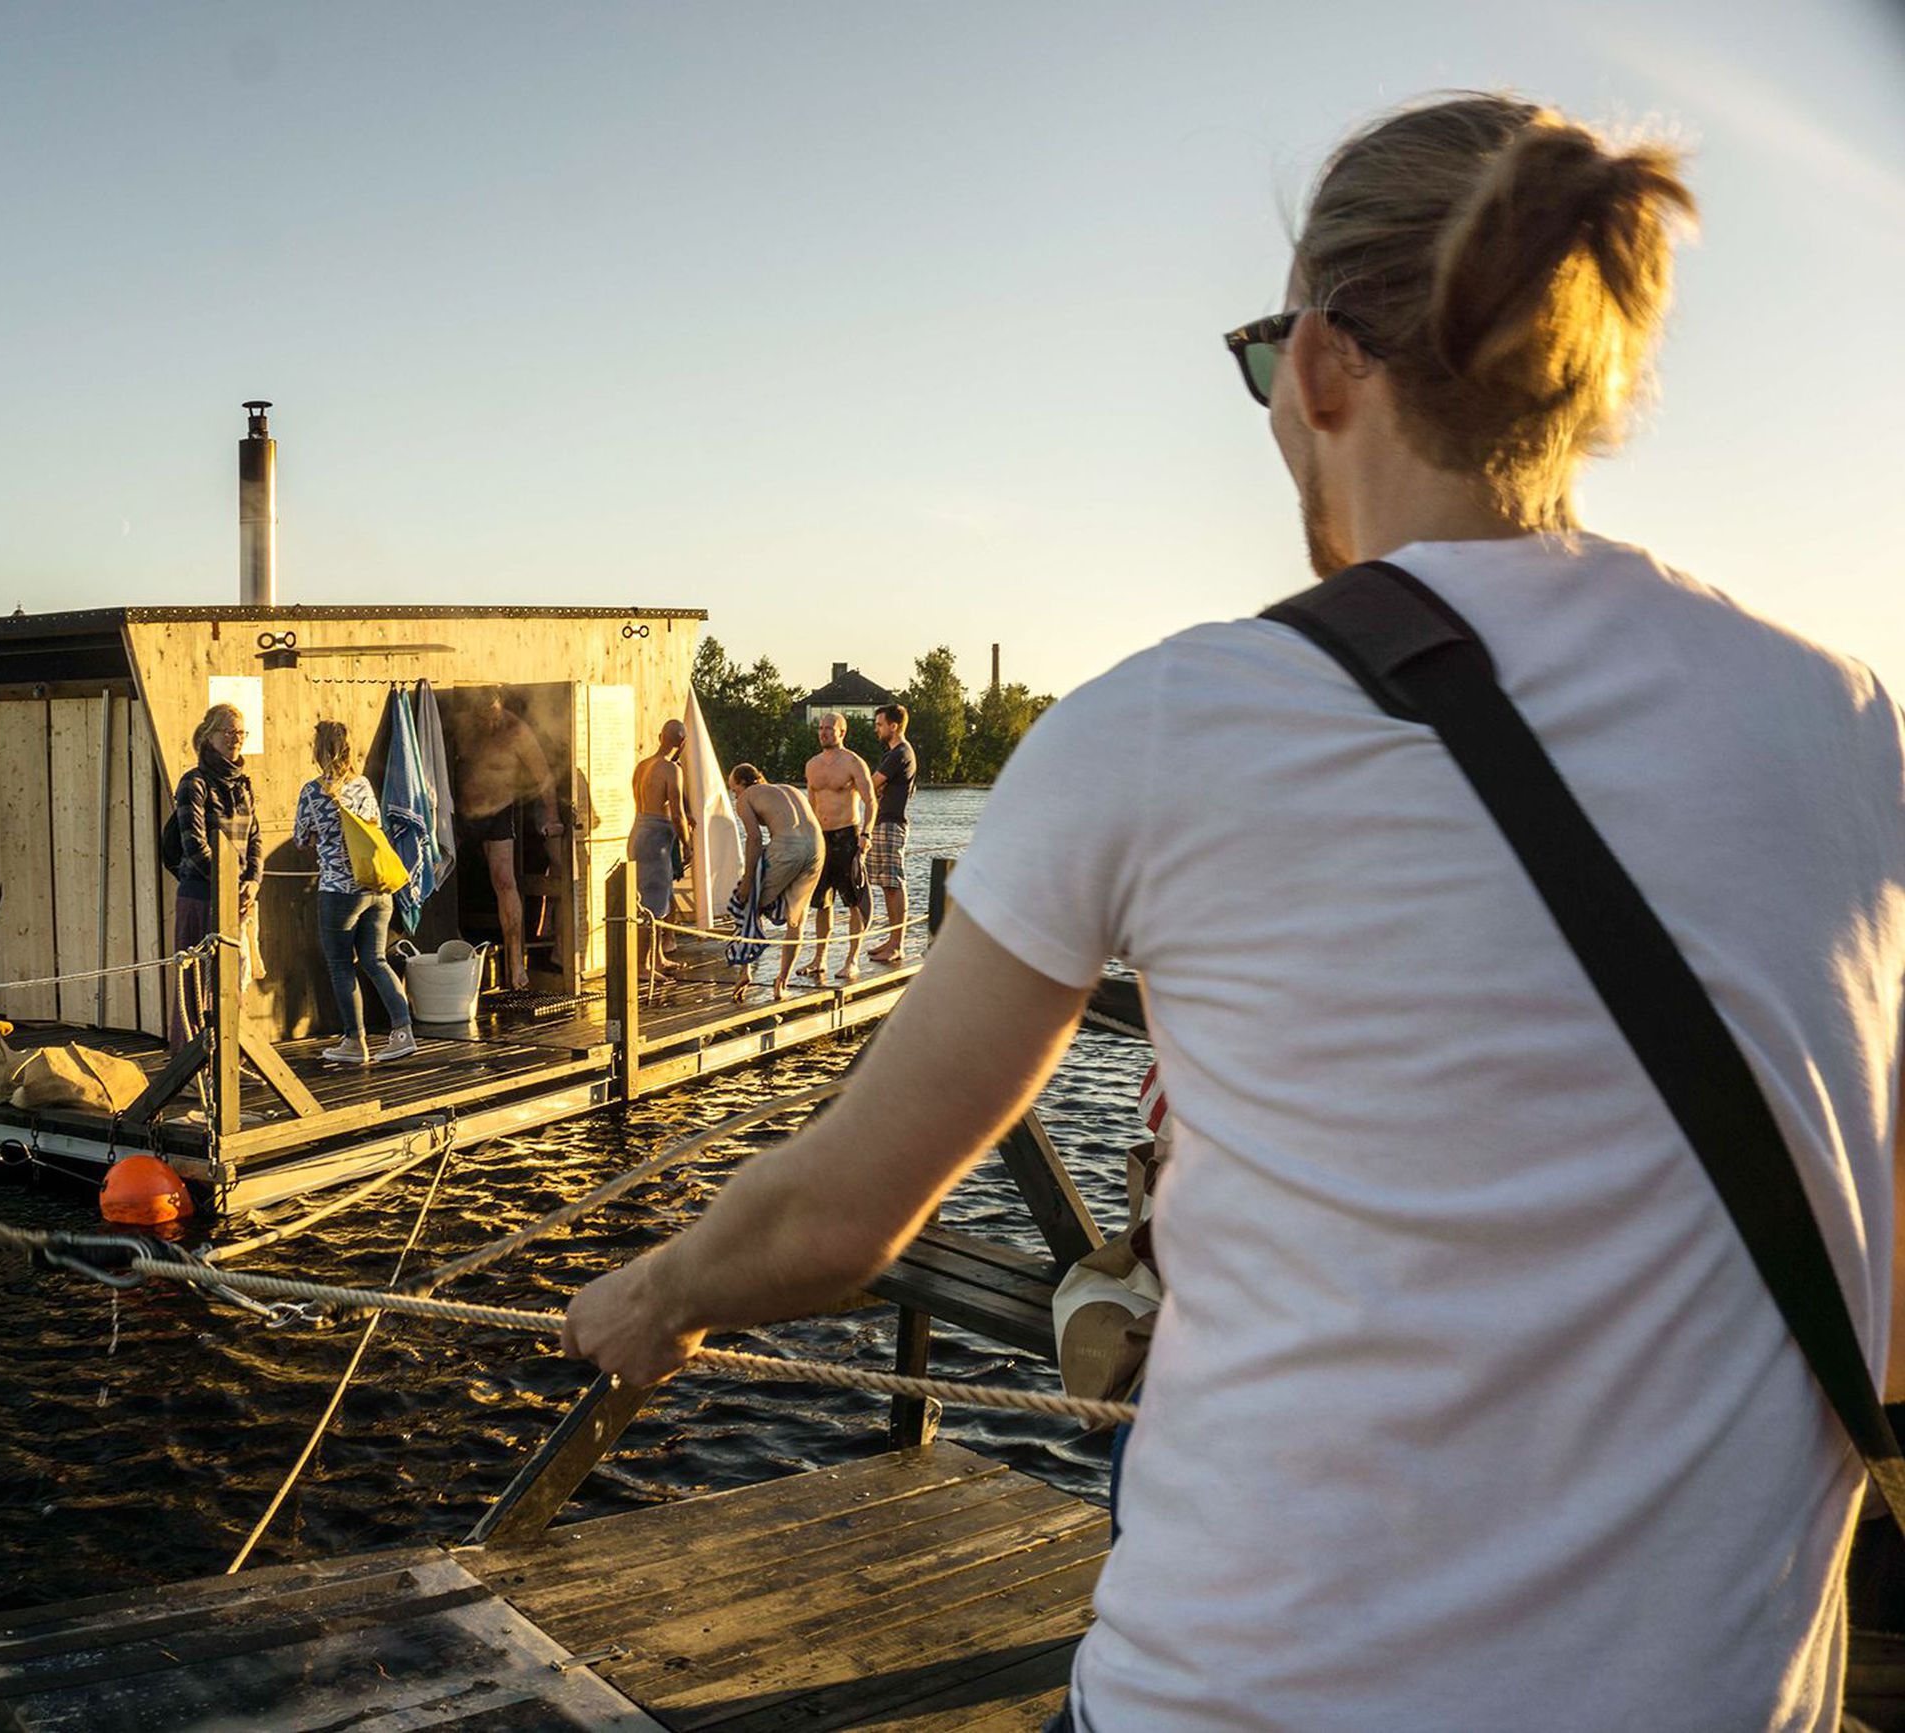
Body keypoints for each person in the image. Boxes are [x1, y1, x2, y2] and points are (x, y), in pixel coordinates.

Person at [564, 94, 1905, 1731]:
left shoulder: (1174, 722)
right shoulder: (1839, 719)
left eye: (1269, 357)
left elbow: (838, 1218)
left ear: (1327, 365)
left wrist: (655, 1292)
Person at [292, 720, 417, 1066]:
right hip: (376, 888)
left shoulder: (312, 792)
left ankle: (354, 1041)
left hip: (339, 892)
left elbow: (301, 840)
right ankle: (403, 1033)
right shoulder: (362, 786)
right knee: (376, 960)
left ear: (318, 751)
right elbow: (373, 826)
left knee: (340, 966)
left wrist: (321, 838)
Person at [160, 702, 261, 1046]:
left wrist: (252, 882)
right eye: (228, 731)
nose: (236, 739)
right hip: (201, 895)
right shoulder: (194, 783)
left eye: (241, 732)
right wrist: (229, 885)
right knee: (194, 988)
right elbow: (193, 844)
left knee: (233, 983)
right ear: (208, 736)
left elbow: (255, 839)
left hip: (238, 899)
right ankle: (188, 1063)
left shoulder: (243, 785)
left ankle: (230, 1061)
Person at [453, 688, 565, 992]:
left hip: (498, 812)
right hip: (462, 814)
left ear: (499, 704)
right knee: (447, 880)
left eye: (490, 712)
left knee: (504, 881)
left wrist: (551, 816)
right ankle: (451, 949)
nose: (485, 719)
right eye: (480, 712)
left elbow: (544, 778)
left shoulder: (516, 731)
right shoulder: (464, 724)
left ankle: (516, 963)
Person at [723, 764, 822, 1002]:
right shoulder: (786, 789)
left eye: (733, 788)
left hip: (789, 846)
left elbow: (754, 838)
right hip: (818, 845)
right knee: (797, 917)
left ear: (741, 784)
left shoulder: (746, 797)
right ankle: (782, 984)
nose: (735, 794)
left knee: (748, 901)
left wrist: (748, 880)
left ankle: (745, 971)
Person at [795, 712, 875, 984]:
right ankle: (820, 958)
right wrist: (807, 838)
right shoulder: (812, 765)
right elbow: (812, 803)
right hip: (821, 838)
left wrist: (866, 834)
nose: (824, 732)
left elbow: (871, 802)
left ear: (842, 732)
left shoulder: (854, 763)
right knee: (821, 903)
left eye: (829, 728)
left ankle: (852, 959)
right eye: (820, 728)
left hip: (847, 836)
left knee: (853, 901)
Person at [628, 718, 693, 980]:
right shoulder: (672, 769)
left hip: (639, 829)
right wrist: (687, 844)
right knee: (651, 903)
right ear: (683, 743)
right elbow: (677, 814)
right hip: (656, 839)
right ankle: (643, 966)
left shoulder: (642, 766)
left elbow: (647, 803)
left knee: (656, 898)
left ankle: (658, 957)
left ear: (659, 737)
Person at [865, 703, 916, 965]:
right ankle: (892, 939)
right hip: (885, 822)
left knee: (894, 882)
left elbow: (871, 784)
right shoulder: (896, 755)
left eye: (880, 724)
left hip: (891, 823)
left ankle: (897, 945)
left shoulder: (899, 754)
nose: (877, 729)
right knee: (887, 883)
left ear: (893, 726)